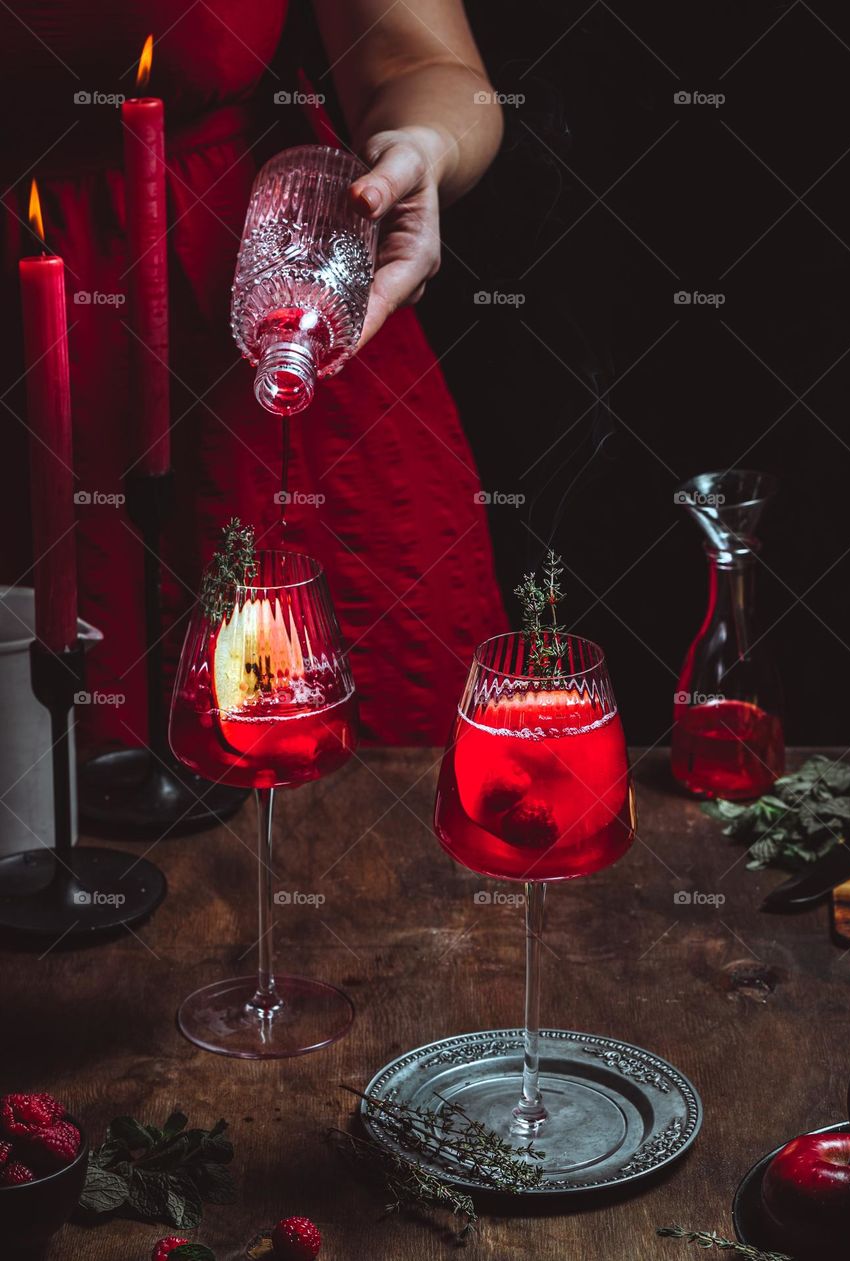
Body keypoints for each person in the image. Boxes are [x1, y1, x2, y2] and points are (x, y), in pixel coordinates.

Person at [0, 0, 507, 746]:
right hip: (29, 379)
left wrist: (422, 146)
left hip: (254, 342)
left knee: (360, 786)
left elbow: (417, 60)